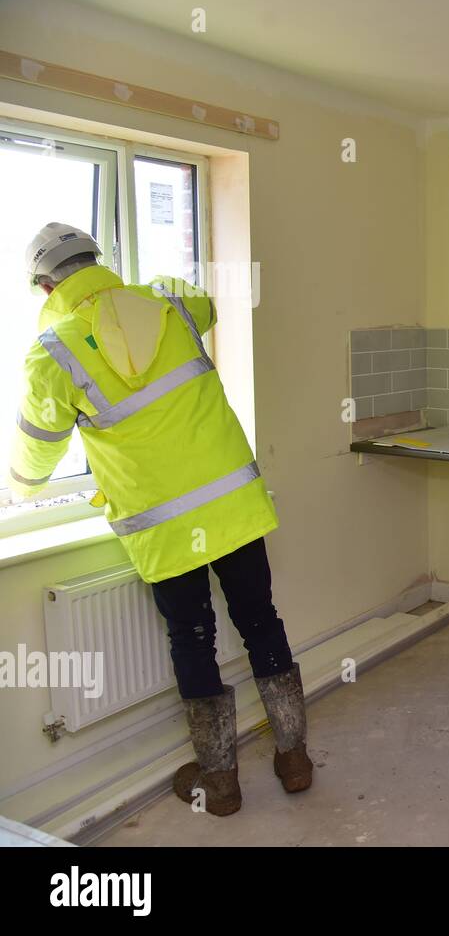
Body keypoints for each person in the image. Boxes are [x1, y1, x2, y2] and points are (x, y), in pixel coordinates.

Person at [6, 222, 311, 816]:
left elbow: (36, 451)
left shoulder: (54, 353)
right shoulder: (170, 302)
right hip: (232, 508)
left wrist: (16, 491)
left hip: (164, 529)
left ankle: (220, 781)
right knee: (260, 620)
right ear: (100, 260)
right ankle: (294, 756)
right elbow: (205, 304)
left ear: (46, 289)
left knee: (191, 640)